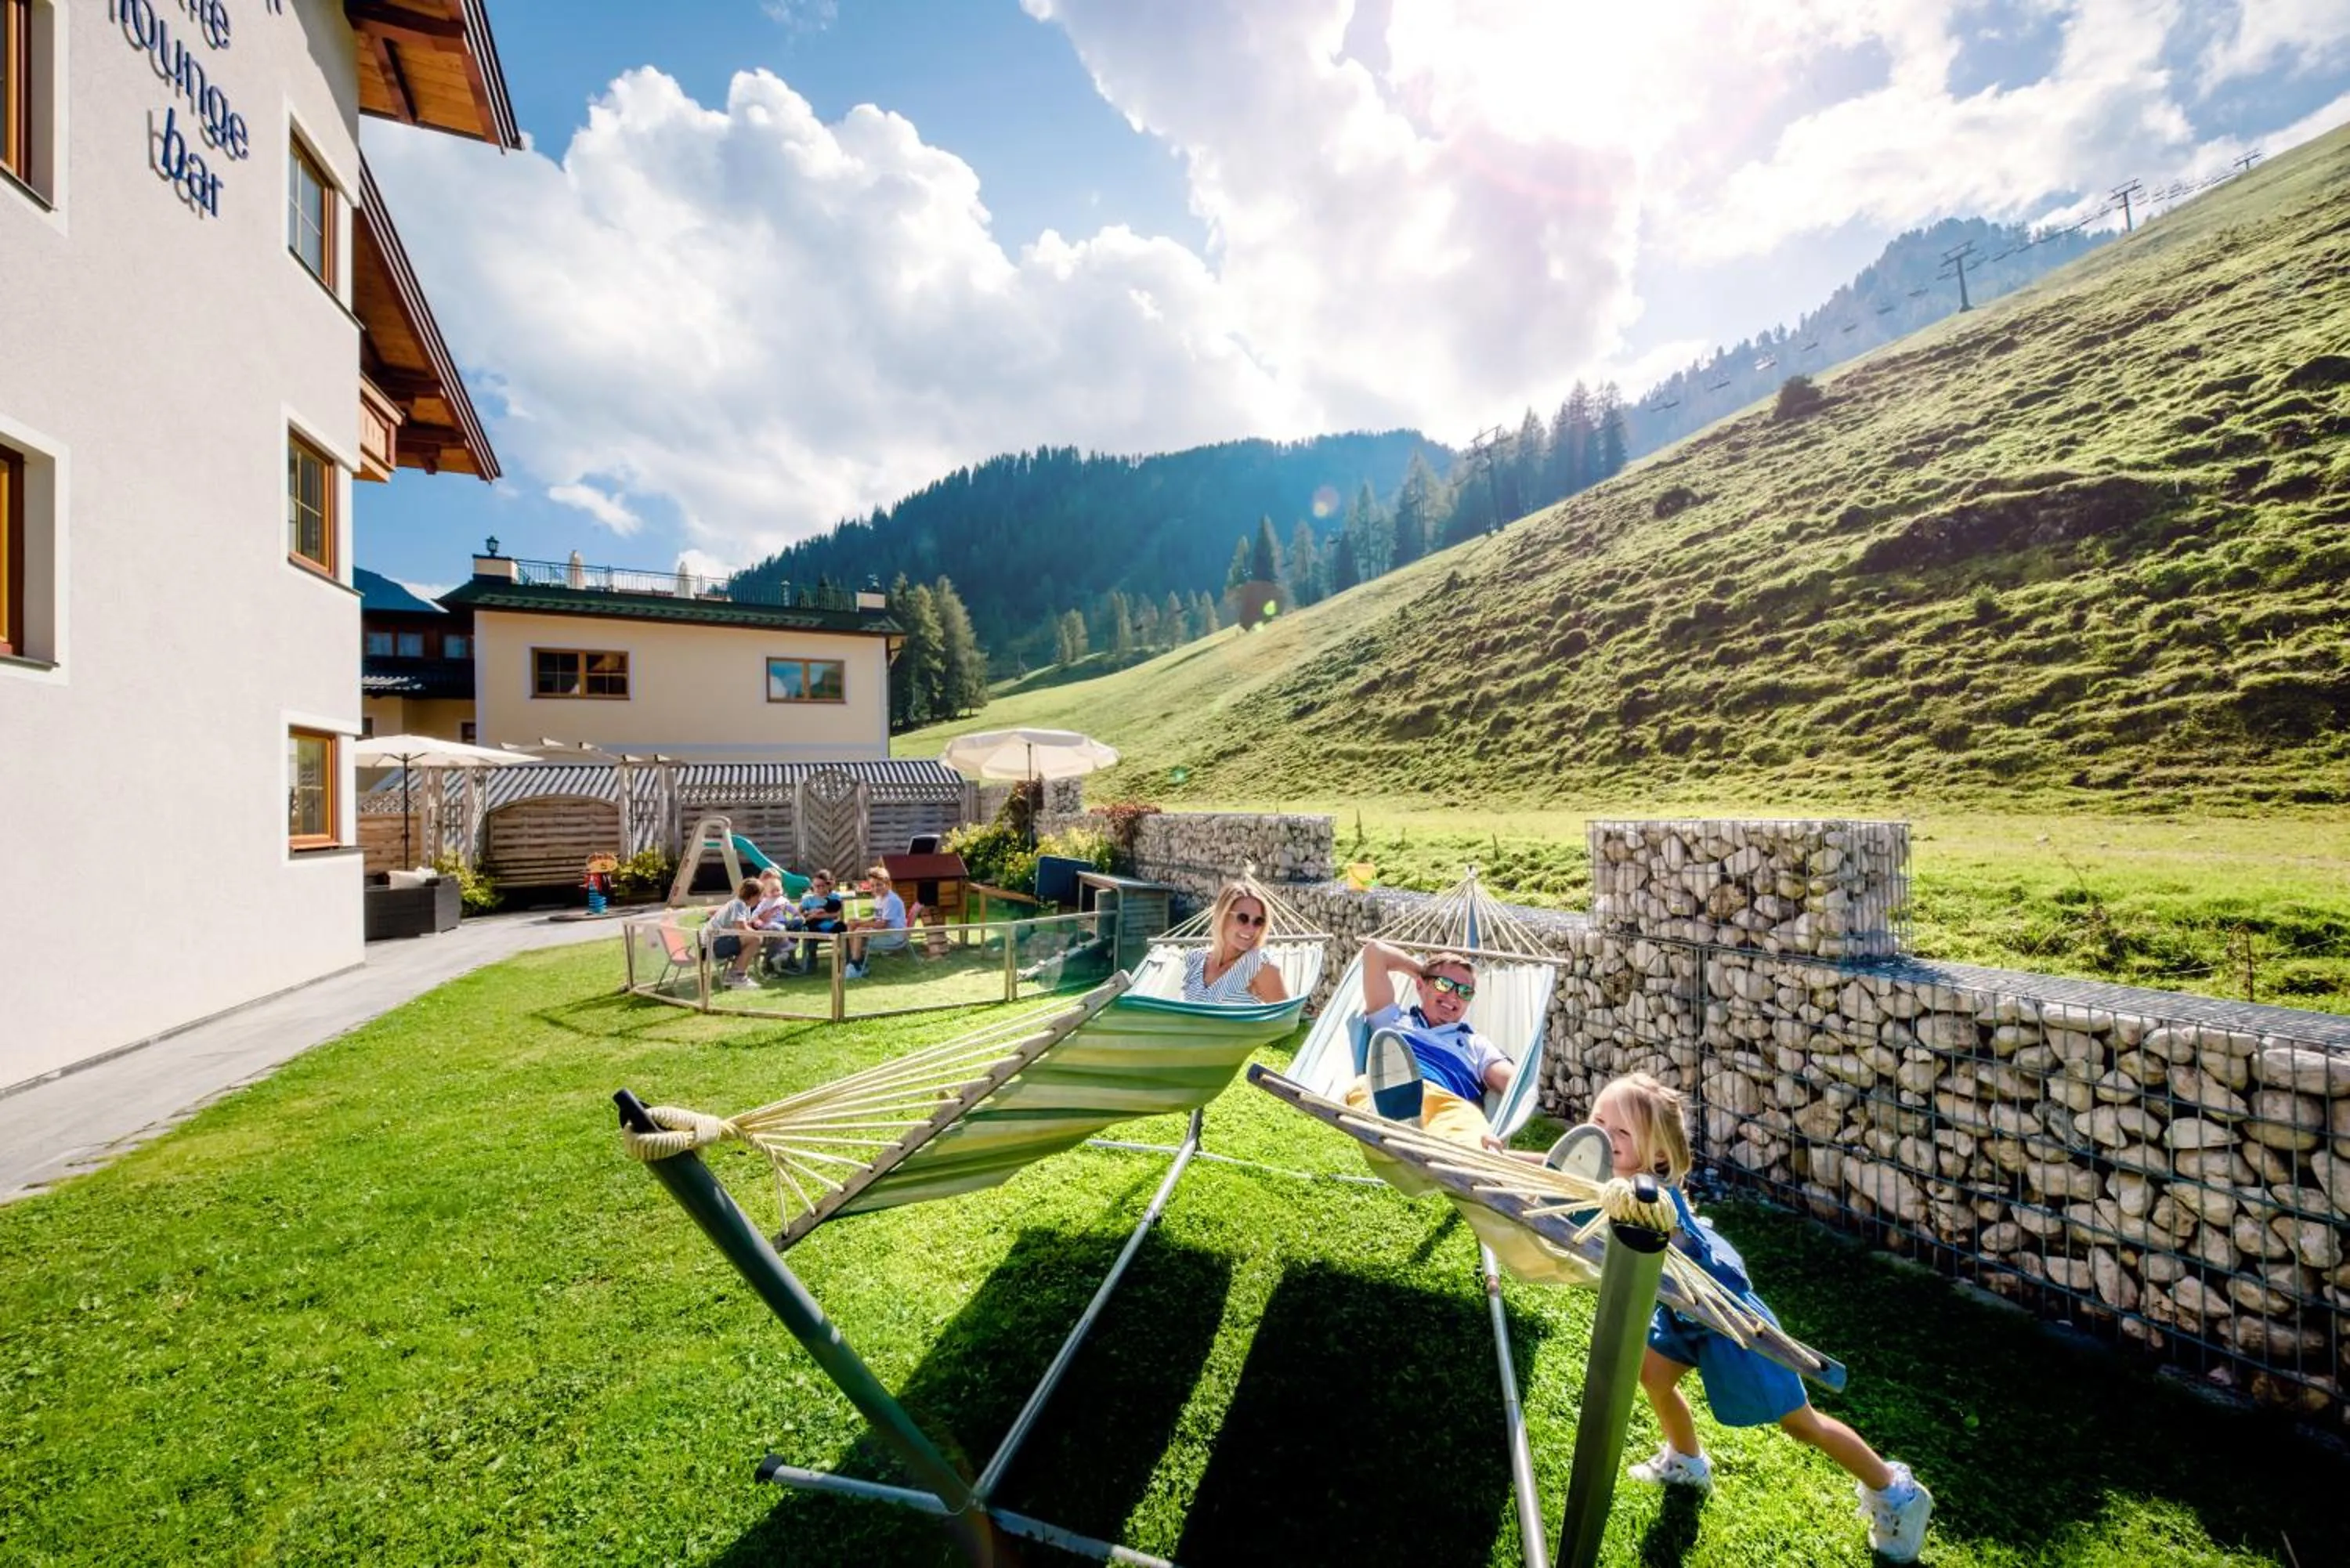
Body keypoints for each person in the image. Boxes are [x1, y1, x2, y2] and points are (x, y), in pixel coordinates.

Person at [1590, 1072, 1933, 1563]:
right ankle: (1687, 1461)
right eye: (1598, 1122)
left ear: (1657, 1157)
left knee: (1801, 1424)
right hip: (1684, 1309)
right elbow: (1563, 1169)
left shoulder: (1649, 1194)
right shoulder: (1619, 1177)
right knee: (1653, 1375)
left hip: (1729, 1322)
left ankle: (1895, 1490)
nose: (1604, 1137)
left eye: (1621, 1133)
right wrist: (1502, 1155)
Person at [1354, 940, 1513, 1126]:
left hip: (1445, 1111)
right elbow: (1375, 952)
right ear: (1420, 986)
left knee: (1473, 1139)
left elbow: (1513, 1083)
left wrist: (1434, 982)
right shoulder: (1393, 1020)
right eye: (1444, 984)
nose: (1454, 996)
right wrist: (1423, 973)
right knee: (1360, 1091)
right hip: (1384, 1100)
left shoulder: (1476, 1044)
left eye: (1465, 992)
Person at [1180, 883, 1289, 1004]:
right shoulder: (1195, 960)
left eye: (1258, 921)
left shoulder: (1260, 967)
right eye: (1243, 918)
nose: (1250, 929)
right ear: (1223, 916)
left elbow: (1286, 1021)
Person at [844, 865, 908, 978]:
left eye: (879, 885)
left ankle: (855, 964)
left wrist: (861, 924)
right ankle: (857, 962)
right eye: (872, 886)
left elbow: (882, 924)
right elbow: (876, 919)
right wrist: (859, 922)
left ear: (888, 885)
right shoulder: (879, 898)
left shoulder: (891, 900)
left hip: (894, 936)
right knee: (851, 925)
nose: (875, 888)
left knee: (859, 931)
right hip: (886, 932)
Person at [706, 878, 766, 990]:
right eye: (759, 896)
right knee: (756, 939)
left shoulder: (742, 905)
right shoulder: (739, 904)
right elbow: (741, 928)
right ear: (752, 896)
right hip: (712, 946)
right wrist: (761, 934)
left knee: (755, 938)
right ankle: (737, 977)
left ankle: (735, 975)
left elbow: (743, 928)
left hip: (716, 943)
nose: (760, 900)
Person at [791, 869, 846, 973]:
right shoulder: (809, 899)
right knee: (810, 931)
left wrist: (819, 915)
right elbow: (798, 914)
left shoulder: (834, 897)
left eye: (823, 886)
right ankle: (810, 964)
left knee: (842, 927)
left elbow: (836, 914)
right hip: (814, 928)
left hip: (830, 927)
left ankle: (844, 963)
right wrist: (809, 915)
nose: (820, 889)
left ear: (829, 885)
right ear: (813, 886)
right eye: (817, 886)